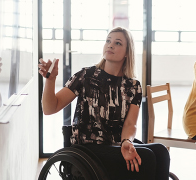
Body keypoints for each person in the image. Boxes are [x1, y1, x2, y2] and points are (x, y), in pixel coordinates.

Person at [38, 27, 170, 180]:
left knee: (161, 151)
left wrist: (127, 141)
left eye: (118, 43)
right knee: (146, 157)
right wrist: (50, 80)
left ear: (128, 52)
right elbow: (49, 108)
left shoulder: (133, 86)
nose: (110, 45)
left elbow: (130, 124)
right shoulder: (85, 76)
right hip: (87, 151)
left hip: (116, 147)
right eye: (108, 40)